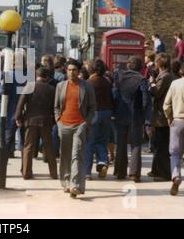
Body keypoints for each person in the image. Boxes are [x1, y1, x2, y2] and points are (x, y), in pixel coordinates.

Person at [54, 60, 96, 198]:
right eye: (69, 70)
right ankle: (66, 181)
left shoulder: (87, 86)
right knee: (65, 155)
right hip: (64, 124)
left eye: (74, 70)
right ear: (66, 71)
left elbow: (92, 107)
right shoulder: (60, 86)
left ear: (79, 72)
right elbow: (56, 107)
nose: (71, 72)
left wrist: (86, 122)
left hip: (80, 125)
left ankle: (75, 185)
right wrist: (58, 120)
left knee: (77, 154)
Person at [15, 67, 57, 180]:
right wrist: (54, 121)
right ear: (47, 77)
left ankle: (26, 173)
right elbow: (55, 107)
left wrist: (18, 117)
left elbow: (21, 103)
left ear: (36, 75)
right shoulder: (52, 89)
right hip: (46, 121)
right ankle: (53, 173)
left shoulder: (29, 86)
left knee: (28, 146)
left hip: (31, 120)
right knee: (49, 147)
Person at [113, 56, 150, 182]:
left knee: (121, 143)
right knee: (136, 145)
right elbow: (145, 100)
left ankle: (120, 172)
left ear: (129, 65)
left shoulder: (120, 76)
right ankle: (134, 174)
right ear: (140, 67)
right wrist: (146, 117)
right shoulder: (142, 80)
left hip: (121, 113)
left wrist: (114, 110)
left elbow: (115, 93)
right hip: (136, 115)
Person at [163, 61, 184, 196]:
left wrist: (169, 117)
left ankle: (176, 176)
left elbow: (166, 104)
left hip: (178, 122)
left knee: (175, 153)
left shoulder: (175, 84)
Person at [86, 59, 113, 180]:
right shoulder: (107, 82)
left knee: (89, 142)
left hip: (93, 114)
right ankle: (103, 162)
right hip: (107, 113)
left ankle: (86, 171)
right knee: (102, 141)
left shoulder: (88, 83)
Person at [148, 53, 173, 182]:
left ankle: (164, 173)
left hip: (162, 117)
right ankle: (156, 170)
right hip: (159, 116)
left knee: (162, 145)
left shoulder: (165, 77)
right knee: (157, 144)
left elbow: (156, 93)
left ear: (159, 63)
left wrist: (151, 83)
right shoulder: (163, 76)